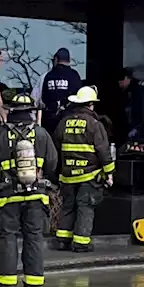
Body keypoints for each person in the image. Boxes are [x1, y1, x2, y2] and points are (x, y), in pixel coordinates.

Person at [0, 94, 58, 287]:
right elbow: (52, 163)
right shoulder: (41, 134)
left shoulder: (0, 135)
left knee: (7, 236)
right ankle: (34, 282)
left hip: (8, 196)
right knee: (34, 236)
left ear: (12, 111)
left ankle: (6, 282)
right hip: (36, 196)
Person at [53, 86, 114, 252]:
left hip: (67, 176)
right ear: (91, 105)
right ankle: (81, 242)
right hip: (89, 175)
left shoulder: (64, 123)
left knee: (68, 206)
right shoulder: (94, 125)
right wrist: (109, 173)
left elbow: (56, 147)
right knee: (85, 207)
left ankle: (62, 240)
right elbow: (103, 151)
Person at [38, 47, 82, 129]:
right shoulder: (74, 75)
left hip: (50, 122)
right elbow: (79, 97)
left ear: (56, 59)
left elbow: (44, 97)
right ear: (68, 60)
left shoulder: (49, 76)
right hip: (69, 121)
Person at [117, 68, 144, 142]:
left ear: (126, 78)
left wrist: (137, 128)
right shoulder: (137, 86)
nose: (120, 85)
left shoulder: (138, 90)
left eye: (120, 82)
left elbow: (142, 110)